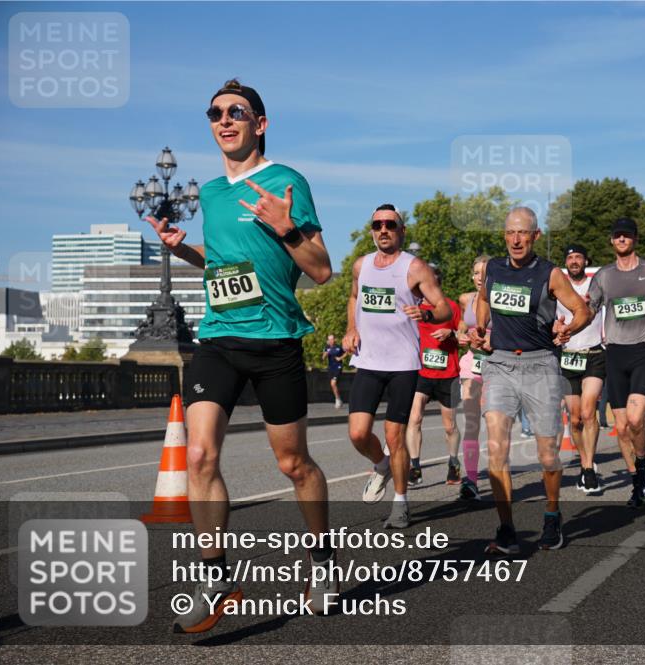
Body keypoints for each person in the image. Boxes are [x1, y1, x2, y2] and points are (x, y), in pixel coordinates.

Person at [150, 79, 336, 632]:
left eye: (237, 112)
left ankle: (321, 560)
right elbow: (222, 258)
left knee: (293, 464)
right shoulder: (209, 193)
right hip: (219, 339)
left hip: (276, 341)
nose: (224, 120)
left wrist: (288, 227)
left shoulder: (287, 181)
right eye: (215, 113)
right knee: (200, 456)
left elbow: (321, 268)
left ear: (261, 123)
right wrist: (182, 247)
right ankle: (215, 573)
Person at [471, 207, 590, 554]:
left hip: (540, 366)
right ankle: (507, 528)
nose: (516, 240)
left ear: (535, 236)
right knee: (496, 448)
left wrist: (569, 329)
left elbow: (583, 310)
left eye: (523, 233)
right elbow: (483, 301)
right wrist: (480, 328)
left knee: (548, 454)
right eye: (510, 233)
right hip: (500, 365)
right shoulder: (493, 268)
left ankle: (552, 514)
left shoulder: (550, 274)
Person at [344, 204, 450, 528]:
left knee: (395, 436)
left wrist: (427, 314)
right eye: (377, 224)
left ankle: (401, 502)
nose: (383, 229)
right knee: (358, 433)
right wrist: (351, 328)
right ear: (372, 230)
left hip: (403, 363)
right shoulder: (361, 266)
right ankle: (381, 465)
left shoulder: (415, 267)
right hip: (368, 360)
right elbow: (353, 298)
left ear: (401, 230)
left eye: (390, 224)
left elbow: (443, 307)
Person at [586, 217, 645, 507]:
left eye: (627, 235)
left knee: (637, 419)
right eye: (617, 236)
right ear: (611, 241)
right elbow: (589, 309)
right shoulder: (603, 276)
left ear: (635, 239)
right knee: (623, 426)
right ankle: (637, 483)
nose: (622, 240)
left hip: (644, 350)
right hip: (614, 352)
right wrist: (567, 326)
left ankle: (642, 467)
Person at [406, 266, 464, 486]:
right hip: (421, 372)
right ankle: (415, 467)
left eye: (433, 283)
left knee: (449, 425)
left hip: (448, 373)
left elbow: (464, 335)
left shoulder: (450, 307)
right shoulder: (414, 308)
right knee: (415, 418)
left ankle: (453, 463)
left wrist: (452, 333)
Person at [557, 243, 606, 494]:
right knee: (574, 419)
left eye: (578, 257)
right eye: (570, 257)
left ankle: (588, 469)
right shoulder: (558, 287)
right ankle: (585, 463)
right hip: (568, 357)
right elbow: (548, 318)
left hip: (595, 353)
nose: (574, 261)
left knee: (589, 413)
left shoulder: (597, 286)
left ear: (586, 261)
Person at [456, 255, 491, 500]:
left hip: (498, 365)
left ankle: (501, 472)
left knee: (496, 424)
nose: (481, 277)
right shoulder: (466, 299)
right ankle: (470, 480)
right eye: (477, 273)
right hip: (471, 364)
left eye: (485, 272)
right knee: (471, 423)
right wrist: (459, 334)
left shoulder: (500, 300)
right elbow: (460, 324)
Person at [322, 334, 346, 408]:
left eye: (332, 339)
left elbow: (346, 352)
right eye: (329, 340)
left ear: (334, 340)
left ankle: (337, 400)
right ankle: (338, 398)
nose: (331, 341)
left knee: (333, 383)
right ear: (328, 341)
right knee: (333, 385)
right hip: (330, 368)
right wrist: (325, 354)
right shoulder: (327, 348)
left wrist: (340, 358)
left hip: (338, 367)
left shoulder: (339, 347)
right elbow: (323, 358)